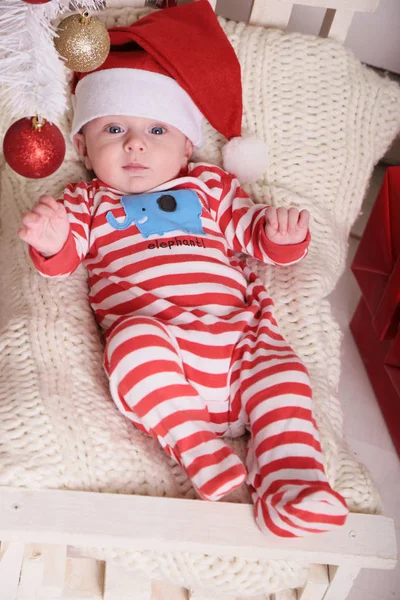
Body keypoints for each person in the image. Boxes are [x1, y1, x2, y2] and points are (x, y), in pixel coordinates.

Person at [18, 0, 348, 537]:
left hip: (239, 341)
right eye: (114, 129)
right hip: (163, 353)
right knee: (131, 347)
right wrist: (52, 239)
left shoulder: (211, 187)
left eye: (157, 131)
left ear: (188, 145)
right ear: (81, 146)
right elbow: (64, 260)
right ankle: (198, 448)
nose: (135, 144)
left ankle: (292, 478)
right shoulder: (88, 202)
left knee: (284, 376)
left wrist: (282, 236)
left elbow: (252, 235)